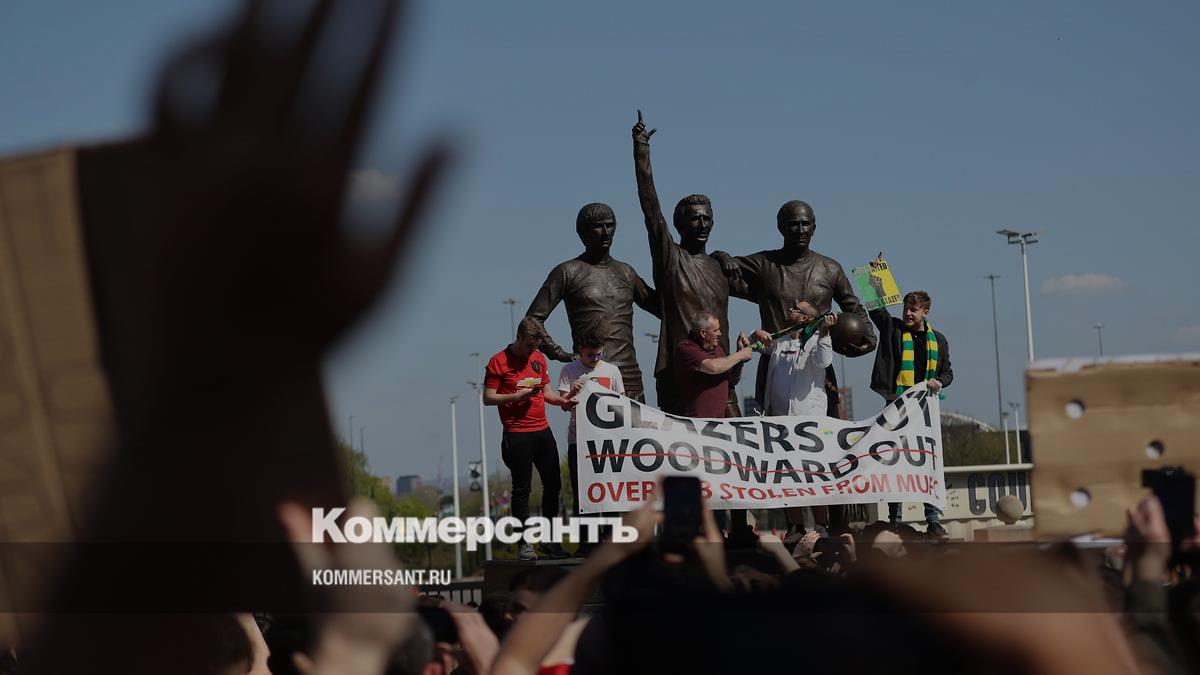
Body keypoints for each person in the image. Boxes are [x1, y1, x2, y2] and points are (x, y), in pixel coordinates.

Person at [713, 200, 877, 408]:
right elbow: (712, 268)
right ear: (780, 228)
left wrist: (869, 337)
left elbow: (853, 306)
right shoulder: (764, 264)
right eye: (793, 224)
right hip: (774, 364)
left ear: (814, 228)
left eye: (805, 224)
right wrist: (721, 255)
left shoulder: (830, 268)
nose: (800, 230)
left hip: (817, 367)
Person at [631, 111, 743, 416]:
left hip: (721, 373)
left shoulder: (720, 266)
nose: (702, 224)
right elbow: (650, 206)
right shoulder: (671, 257)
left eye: (707, 218)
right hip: (680, 378)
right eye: (695, 218)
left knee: (737, 439)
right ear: (679, 223)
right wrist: (641, 152)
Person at [525, 202, 659, 402]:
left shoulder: (626, 272)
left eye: (610, 225)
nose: (605, 232)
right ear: (582, 232)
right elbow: (532, 320)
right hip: (589, 378)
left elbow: (664, 309)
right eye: (598, 226)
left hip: (629, 379)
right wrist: (559, 353)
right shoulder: (567, 272)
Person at [484, 317, 576, 560]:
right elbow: (488, 397)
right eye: (528, 346)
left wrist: (563, 402)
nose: (531, 351)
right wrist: (516, 396)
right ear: (519, 338)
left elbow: (546, 393)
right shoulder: (498, 361)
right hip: (516, 434)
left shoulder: (538, 359)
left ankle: (550, 541)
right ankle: (524, 543)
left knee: (553, 485)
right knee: (522, 489)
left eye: (535, 347)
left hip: (542, 431)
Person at [868, 287, 953, 536]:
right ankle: (895, 520)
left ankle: (933, 520)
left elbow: (948, 372)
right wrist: (871, 280)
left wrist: (940, 382)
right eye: (906, 308)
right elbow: (877, 310)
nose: (907, 313)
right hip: (896, 407)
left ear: (925, 312)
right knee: (895, 461)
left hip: (925, 410)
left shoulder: (939, 340)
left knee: (928, 462)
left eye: (913, 310)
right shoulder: (893, 329)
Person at [557, 330, 624, 520]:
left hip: (607, 442)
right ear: (581, 350)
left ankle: (611, 535)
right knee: (583, 495)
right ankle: (587, 537)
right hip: (579, 441)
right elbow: (563, 405)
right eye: (590, 355)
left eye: (599, 355)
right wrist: (572, 392)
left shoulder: (612, 371)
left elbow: (622, 404)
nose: (595, 359)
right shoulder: (569, 370)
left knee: (610, 493)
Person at [673, 312, 767, 418]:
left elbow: (732, 380)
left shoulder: (717, 349)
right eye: (715, 330)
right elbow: (713, 367)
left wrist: (740, 357)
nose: (720, 333)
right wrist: (741, 354)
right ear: (703, 333)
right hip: (694, 422)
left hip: (718, 422)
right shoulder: (686, 348)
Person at [762, 301, 837, 417]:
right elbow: (757, 345)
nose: (790, 309)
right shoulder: (781, 341)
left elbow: (824, 361)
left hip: (808, 417)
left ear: (804, 318)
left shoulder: (817, 340)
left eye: (795, 309)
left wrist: (824, 333)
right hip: (778, 417)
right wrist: (755, 334)